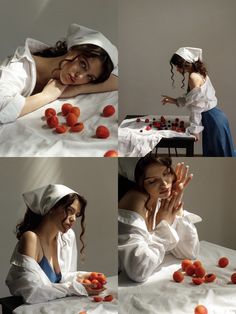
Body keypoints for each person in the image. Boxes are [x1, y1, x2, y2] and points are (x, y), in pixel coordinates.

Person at [6, 184, 105, 304]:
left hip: (59, 306)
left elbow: (62, 279)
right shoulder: (31, 239)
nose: (74, 219)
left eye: (77, 214)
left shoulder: (67, 237)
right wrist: (75, 288)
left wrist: (85, 276)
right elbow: (31, 292)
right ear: (51, 207)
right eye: (69, 211)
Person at [0, 23, 118, 124]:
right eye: (83, 64)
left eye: (90, 77)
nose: (80, 76)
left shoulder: (73, 78)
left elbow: (117, 80)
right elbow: (3, 109)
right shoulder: (16, 67)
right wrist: (46, 96)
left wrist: (78, 89)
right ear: (72, 48)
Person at [118, 155, 201, 283]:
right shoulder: (135, 200)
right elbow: (139, 271)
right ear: (139, 184)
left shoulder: (158, 198)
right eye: (152, 181)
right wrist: (164, 226)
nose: (164, 184)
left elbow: (189, 252)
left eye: (166, 173)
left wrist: (176, 200)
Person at [161, 47, 235, 157]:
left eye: (177, 65)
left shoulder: (192, 77)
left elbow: (196, 106)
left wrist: (195, 130)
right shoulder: (198, 73)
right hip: (217, 116)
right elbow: (192, 99)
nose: (176, 69)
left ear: (185, 63)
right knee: (222, 152)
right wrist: (173, 100)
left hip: (212, 119)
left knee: (219, 154)